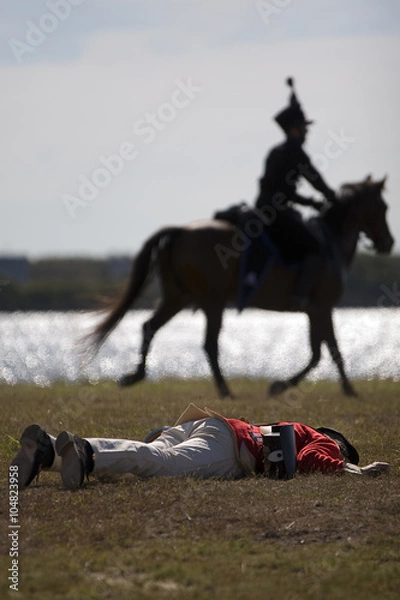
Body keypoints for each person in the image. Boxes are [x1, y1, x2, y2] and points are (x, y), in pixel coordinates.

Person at [10, 404, 389, 491]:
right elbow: (311, 458)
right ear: (338, 442)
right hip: (229, 446)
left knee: (139, 468)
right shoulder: (324, 441)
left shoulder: (296, 428)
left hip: (209, 426)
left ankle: (48, 455)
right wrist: (355, 468)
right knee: (160, 463)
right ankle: (88, 454)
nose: (337, 455)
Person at [255, 77, 337, 310]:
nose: (306, 133)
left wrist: (309, 202)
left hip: (264, 208)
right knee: (316, 247)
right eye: (303, 128)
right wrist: (331, 197)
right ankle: (299, 297)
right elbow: (314, 178)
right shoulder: (295, 151)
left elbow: (282, 191)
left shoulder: (276, 151)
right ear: (294, 129)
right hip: (277, 214)